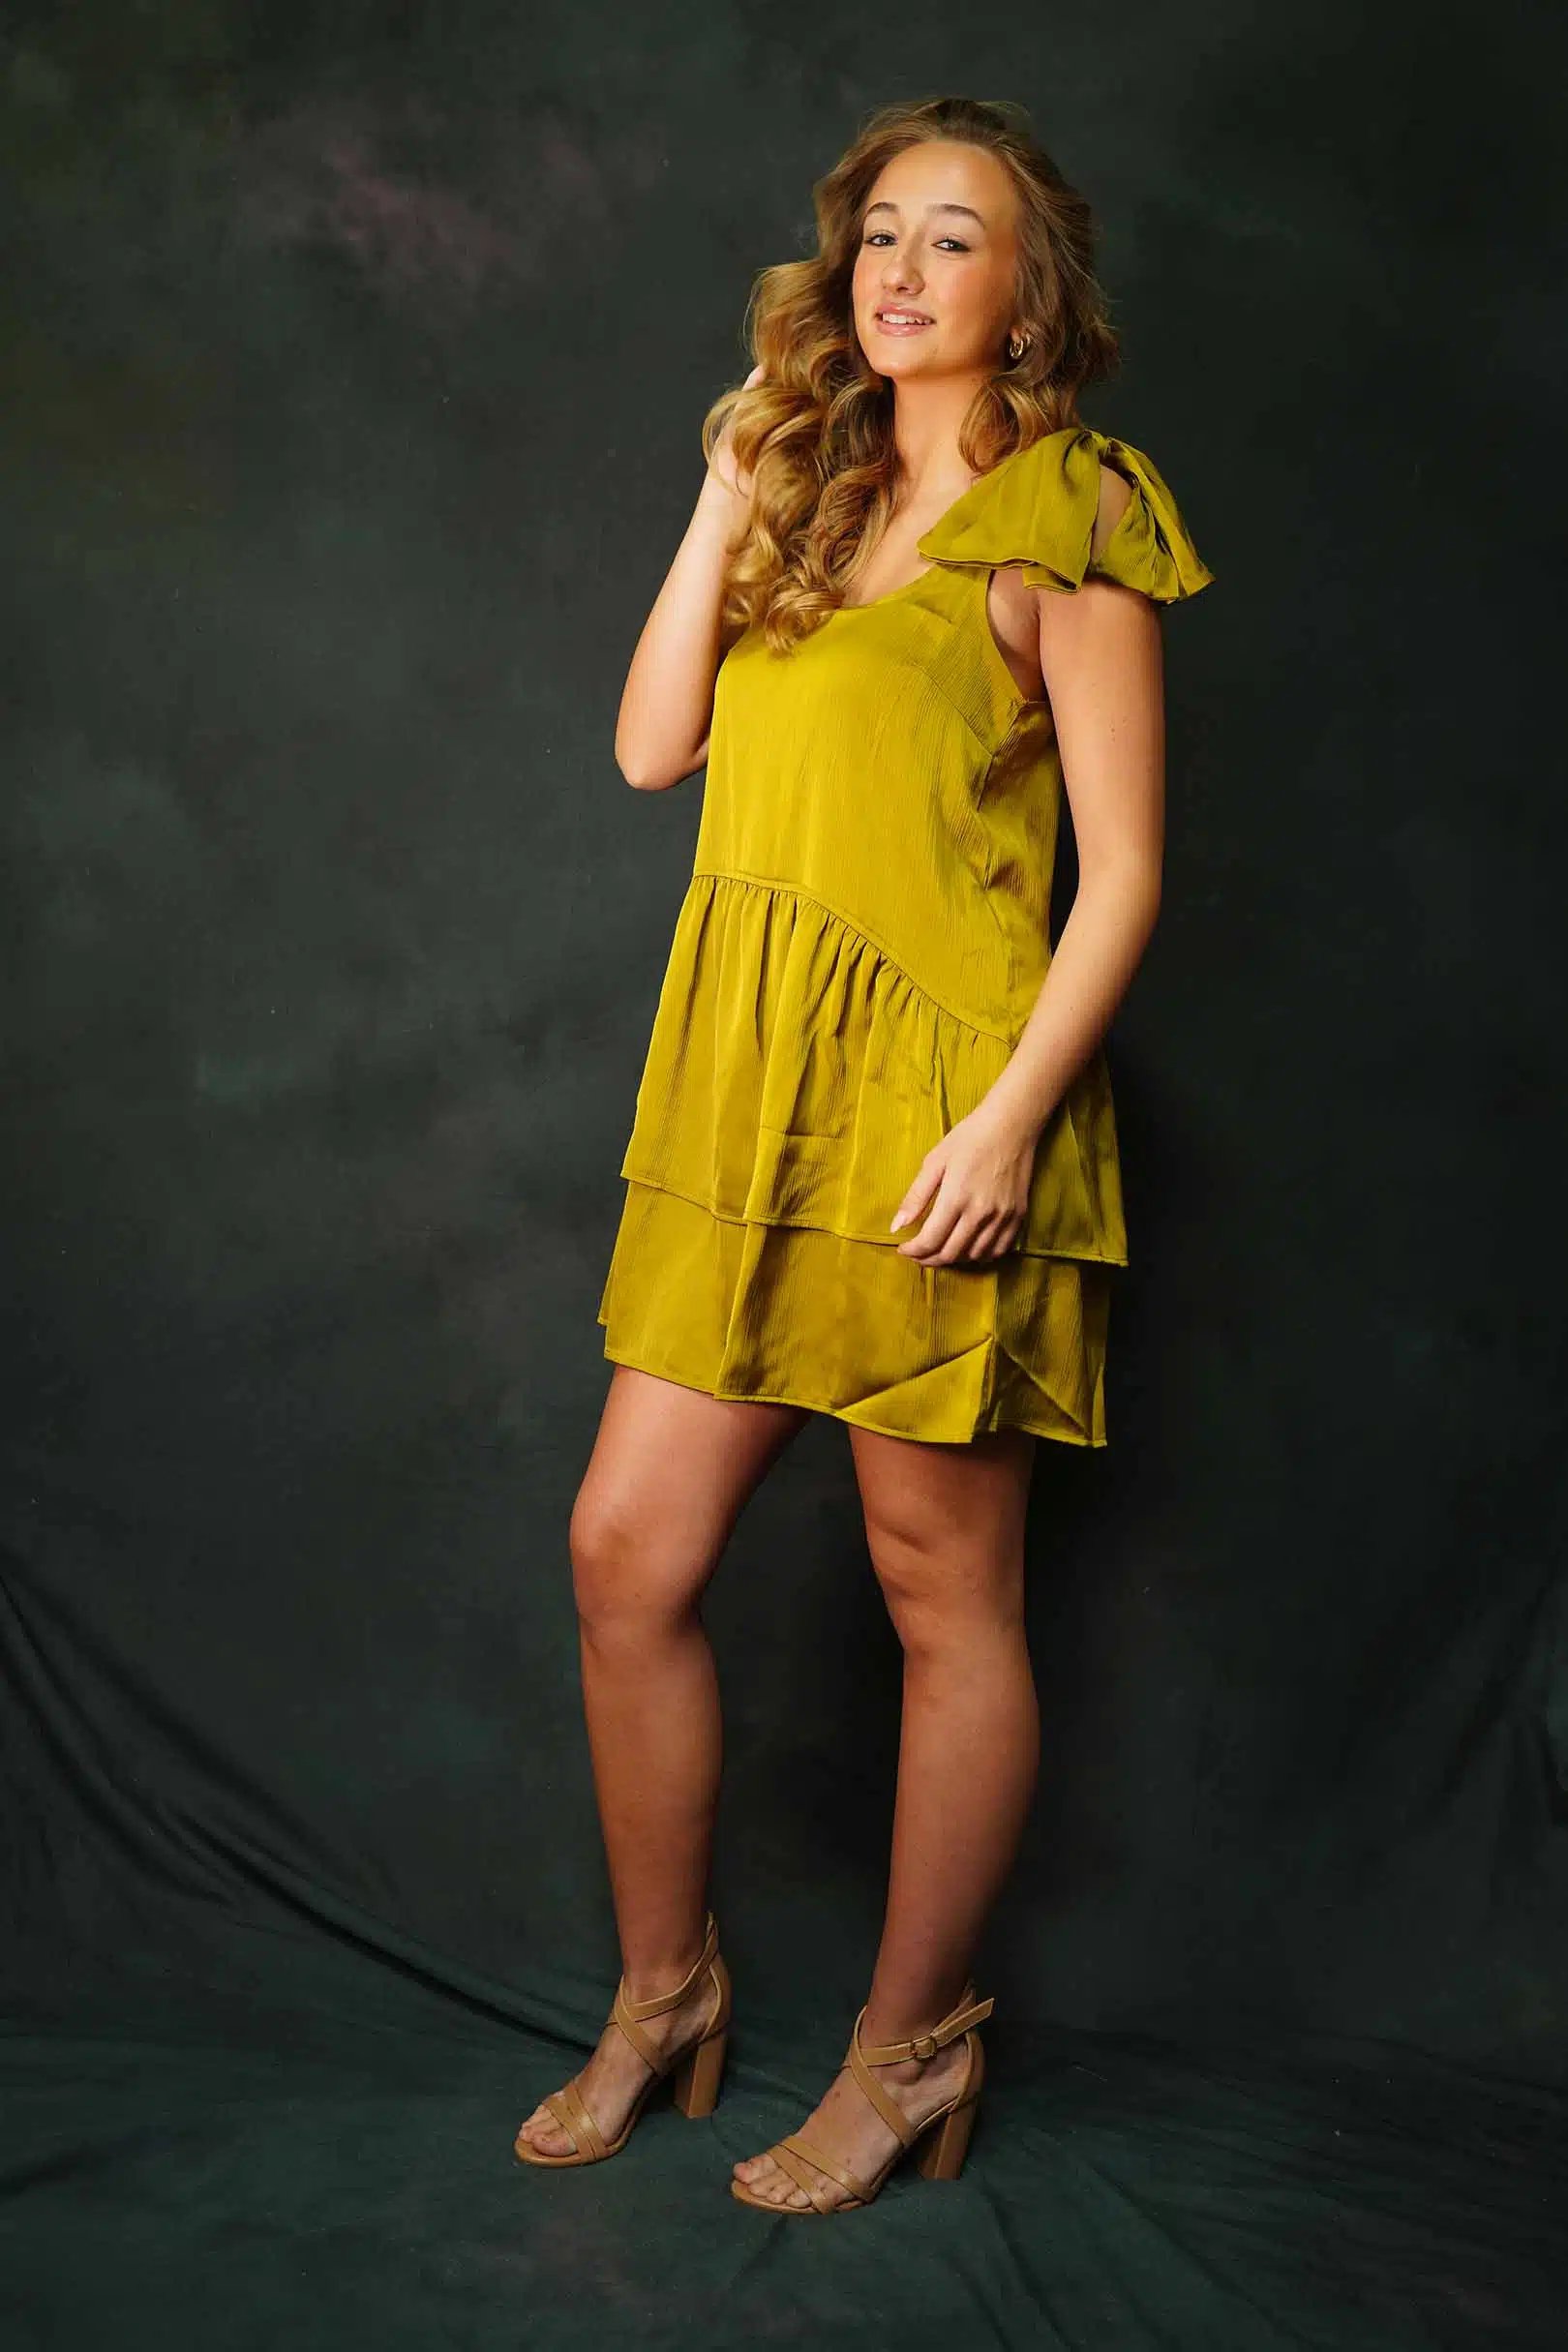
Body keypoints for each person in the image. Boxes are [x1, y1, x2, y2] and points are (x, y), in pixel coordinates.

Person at [512, 93, 1213, 2214]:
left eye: (954, 237)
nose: (902, 270)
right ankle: (667, 1992)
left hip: (945, 1113)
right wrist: (724, 485)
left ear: (1030, 292)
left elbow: (1124, 873)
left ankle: (912, 2050)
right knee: (626, 1552)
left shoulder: (1073, 510)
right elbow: (652, 746)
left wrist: (1007, 1124)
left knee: (940, 1590)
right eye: (880, 234)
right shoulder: (804, 498)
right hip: (749, 1096)